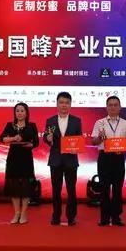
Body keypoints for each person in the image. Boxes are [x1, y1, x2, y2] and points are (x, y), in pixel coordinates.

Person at [90, 96, 126, 227]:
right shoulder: (99, 123)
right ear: (106, 107)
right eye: (110, 105)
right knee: (104, 188)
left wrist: (123, 148)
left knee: (117, 189)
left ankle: (116, 217)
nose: (113, 107)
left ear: (120, 107)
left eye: (115, 105)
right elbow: (94, 142)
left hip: (118, 158)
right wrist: (100, 137)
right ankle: (104, 218)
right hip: (104, 158)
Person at [44, 92, 82, 226]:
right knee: (56, 190)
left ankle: (71, 217)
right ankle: (56, 216)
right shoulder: (50, 121)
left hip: (71, 160)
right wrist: (48, 139)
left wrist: (76, 146)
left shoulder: (76, 121)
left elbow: (79, 139)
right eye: (61, 102)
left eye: (67, 102)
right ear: (57, 104)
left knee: (71, 190)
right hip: (55, 160)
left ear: (70, 105)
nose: (64, 105)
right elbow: (46, 137)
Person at [0, 103, 39, 224]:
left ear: (26, 113)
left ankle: (24, 213)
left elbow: (36, 142)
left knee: (26, 187)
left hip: (26, 158)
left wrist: (30, 145)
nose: (20, 113)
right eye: (17, 111)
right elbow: (2, 138)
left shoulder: (31, 125)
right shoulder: (10, 125)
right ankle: (16, 213)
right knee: (14, 187)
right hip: (13, 158)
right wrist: (13, 139)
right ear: (14, 113)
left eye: (22, 111)